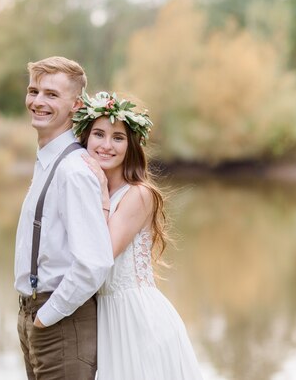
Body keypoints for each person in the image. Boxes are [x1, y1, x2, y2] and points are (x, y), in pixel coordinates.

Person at [75, 89, 204, 380]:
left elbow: (102, 255)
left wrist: (103, 198)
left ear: (131, 146)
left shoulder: (139, 195)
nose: (107, 145)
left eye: (118, 138)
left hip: (137, 319)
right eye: (98, 134)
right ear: (85, 138)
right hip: (107, 319)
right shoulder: (91, 190)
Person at [15, 57, 114, 380]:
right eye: (34, 91)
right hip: (34, 315)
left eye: (51, 94)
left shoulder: (73, 171)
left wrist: (47, 317)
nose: (38, 101)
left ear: (75, 105)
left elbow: (94, 263)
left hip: (60, 322)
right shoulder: (49, 161)